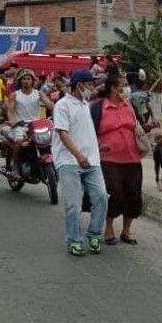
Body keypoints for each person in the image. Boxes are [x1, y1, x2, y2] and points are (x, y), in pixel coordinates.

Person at [90, 76, 156, 246]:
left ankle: (126, 231)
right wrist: (97, 145)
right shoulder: (99, 107)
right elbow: (90, 131)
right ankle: (109, 228)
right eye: (122, 86)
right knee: (114, 193)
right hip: (108, 158)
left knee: (133, 194)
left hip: (132, 157)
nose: (126, 89)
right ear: (112, 88)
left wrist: (150, 126)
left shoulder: (130, 106)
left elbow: (140, 126)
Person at [51, 69, 108, 257]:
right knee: (73, 204)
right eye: (90, 84)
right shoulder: (62, 105)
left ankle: (93, 234)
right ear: (79, 85)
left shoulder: (85, 105)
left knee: (100, 196)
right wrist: (78, 156)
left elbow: (83, 131)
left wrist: (97, 147)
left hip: (92, 160)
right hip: (69, 161)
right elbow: (63, 133)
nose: (93, 87)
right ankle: (74, 240)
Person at [1, 69, 54, 180]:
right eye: (24, 79)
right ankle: (15, 168)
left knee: (50, 141)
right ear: (20, 81)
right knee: (19, 142)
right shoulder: (15, 95)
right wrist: (12, 122)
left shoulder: (38, 93)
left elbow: (49, 104)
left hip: (35, 126)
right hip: (20, 125)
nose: (26, 81)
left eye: (28, 79)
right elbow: (10, 111)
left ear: (32, 81)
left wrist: (55, 110)